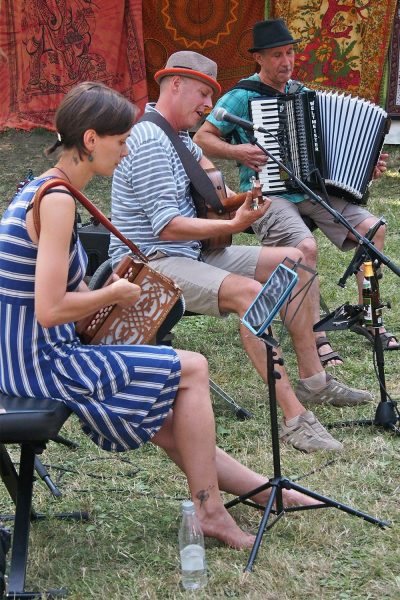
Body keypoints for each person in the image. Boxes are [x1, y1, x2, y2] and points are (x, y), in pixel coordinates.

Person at [0, 81, 317, 551]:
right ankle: (210, 512)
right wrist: (119, 294)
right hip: (38, 364)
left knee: (171, 411)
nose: (126, 152)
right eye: (121, 141)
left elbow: (52, 293)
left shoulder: (45, 190)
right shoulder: (59, 200)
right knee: (192, 368)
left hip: (24, 355)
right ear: (90, 140)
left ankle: (268, 492)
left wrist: (102, 293)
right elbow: (49, 310)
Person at [110, 51, 373, 455]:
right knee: (249, 293)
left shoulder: (177, 136)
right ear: (175, 83)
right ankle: (295, 420)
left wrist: (247, 201)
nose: (208, 106)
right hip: (151, 265)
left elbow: (214, 196)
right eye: (203, 93)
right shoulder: (148, 140)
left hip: (192, 253)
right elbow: (167, 225)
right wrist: (233, 226)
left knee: (297, 260)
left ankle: (315, 381)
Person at [194, 18, 398, 358]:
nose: (286, 62)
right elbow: (202, 136)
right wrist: (237, 151)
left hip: (312, 189)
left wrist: (364, 168)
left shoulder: (303, 94)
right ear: (258, 58)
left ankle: (369, 314)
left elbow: (332, 151)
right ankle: (314, 334)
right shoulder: (241, 96)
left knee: (373, 230)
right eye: (276, 55)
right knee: (304, 247)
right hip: (267, 193)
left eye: (289, 53)